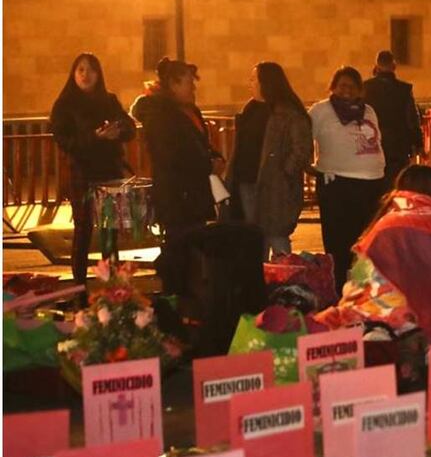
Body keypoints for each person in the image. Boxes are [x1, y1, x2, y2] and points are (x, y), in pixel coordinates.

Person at [315, 165, 431, 345]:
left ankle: (379, 324)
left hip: (368, 295)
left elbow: (360, 269)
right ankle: (401, 328)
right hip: (407, 299)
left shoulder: (386, 214)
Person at [50, 53, 136, 286]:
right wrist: (94, 137)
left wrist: (118, 131)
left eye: (91, 70)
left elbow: (130, 127)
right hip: (82, 174)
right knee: (83, 229)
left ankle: (112, 285)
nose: (86, 75)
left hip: (109, 172)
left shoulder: (108, 101)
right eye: (81, 70)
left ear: (99, 74)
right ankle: (79, 287)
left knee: (110, 230)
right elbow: (63, 139)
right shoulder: (65, 104)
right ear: (73, 74)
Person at [308, 66, 386, 290]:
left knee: (367, 241)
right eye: (342, 85)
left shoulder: (368, 110)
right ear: (333, 87)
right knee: (339, 242)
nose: (347, 91)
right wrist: (308, 167)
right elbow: (304, 140)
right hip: (339, 183)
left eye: (352, 86)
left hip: (371, 182)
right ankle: (339, 285)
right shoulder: (320, 111)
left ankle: (364, 286)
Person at [226, 61, 312, 260]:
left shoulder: (288, 112)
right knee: (254, 236)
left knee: (277, 234)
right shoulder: (250, 108)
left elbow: (301, 148)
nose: (250, 83)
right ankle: (259, 281)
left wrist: (285, 172)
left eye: (254, 79)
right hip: (247, 181)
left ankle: (285, 281)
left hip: (275, 185)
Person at [131, 57, 221, 245]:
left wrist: (214, 156)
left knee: (195, 246)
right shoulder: (160, 115)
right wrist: (206, 165)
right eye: (189, 83)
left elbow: (200, 143)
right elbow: (170, 155)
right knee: (180, 247)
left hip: (195, 193)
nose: (193, 89)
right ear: (173, 84)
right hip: (177, 196)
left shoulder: (189, 111)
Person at [363, 50, 425, 188]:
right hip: (399, 144)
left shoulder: (366, 88)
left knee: (375, 183)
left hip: (372, 143)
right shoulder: (404, 89)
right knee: (397, 182)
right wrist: (418, 142)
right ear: (394, 66)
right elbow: (412, 118)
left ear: (376, 66)